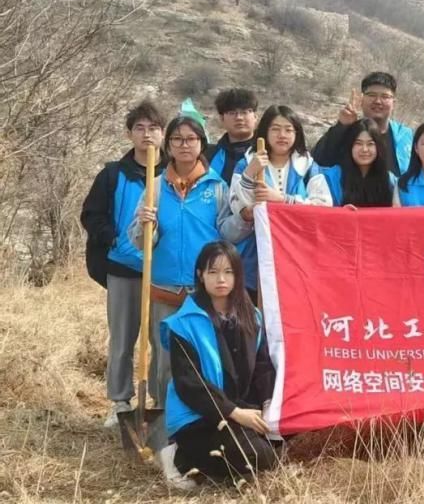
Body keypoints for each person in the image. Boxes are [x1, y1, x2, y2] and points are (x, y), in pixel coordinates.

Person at [129, 116, 253, 414]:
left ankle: (202, 419)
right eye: (177, 139)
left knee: (206, 358)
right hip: (165, 289)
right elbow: (140, 241)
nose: (184, 145)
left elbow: (228, 233)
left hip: (205, 291)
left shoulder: (218, 186)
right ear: (168, 145)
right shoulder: (155, 187)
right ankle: (163, 417)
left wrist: (244, 218)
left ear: (201, 144)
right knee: (164, 360)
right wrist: (147, 226)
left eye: (191, 139)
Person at [159, 241, 277, 489]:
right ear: (200, 275)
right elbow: (189, 383)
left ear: (238, 275)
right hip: (199, 418)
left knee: (283, 440)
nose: (221, 279)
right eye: (213, 272)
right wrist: (235, 413)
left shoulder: (252, 317)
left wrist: (268, 404)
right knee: (260, 457)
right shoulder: (183, 323)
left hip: (242, 408)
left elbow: (263, 366)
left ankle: (225, 455)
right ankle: (178, 456)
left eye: (228, 272)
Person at [80, 100, 167, 428]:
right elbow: (91, 215)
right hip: (123, 268)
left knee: (162, 342)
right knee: (122, 340)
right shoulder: (113, 174)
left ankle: (159, 402)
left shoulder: (173, 174)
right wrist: (115, 239)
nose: (147, 135)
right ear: (129, 134)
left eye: (154, 128)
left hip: (162, 273)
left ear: (163, 134)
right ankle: (119, 401)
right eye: (139, 128)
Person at [229, 105, 318, 302]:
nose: (282, 135)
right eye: (275, 129)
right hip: (254, 256)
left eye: (288, 129)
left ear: (297, 133)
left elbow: (323, 207)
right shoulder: (247, 163)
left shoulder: (309, 166)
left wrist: (283, 200)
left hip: (298, 257)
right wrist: (250, 173)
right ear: (265, 131)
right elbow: (236, 206)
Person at [311, 72, 412, 175]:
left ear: (393, 103)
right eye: (372, 95)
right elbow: (318, 160)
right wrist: (342, 126)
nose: (378, 101)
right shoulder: (347, 132)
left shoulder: (405, 136)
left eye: (385, 96)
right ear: (361, 99)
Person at [307, 118, 396, 208]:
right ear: (350, 146)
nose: (365, 149)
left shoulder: (389, 181)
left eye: (370, 144)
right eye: (358, 143)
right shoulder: (330, 178)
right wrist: (342, 212)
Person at [206, 89, 259, 185]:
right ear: (222, 119)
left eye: (244, 112)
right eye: (232, 113)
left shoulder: (269, 152)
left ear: (255, 117)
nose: (239, 117)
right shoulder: (208, 156)